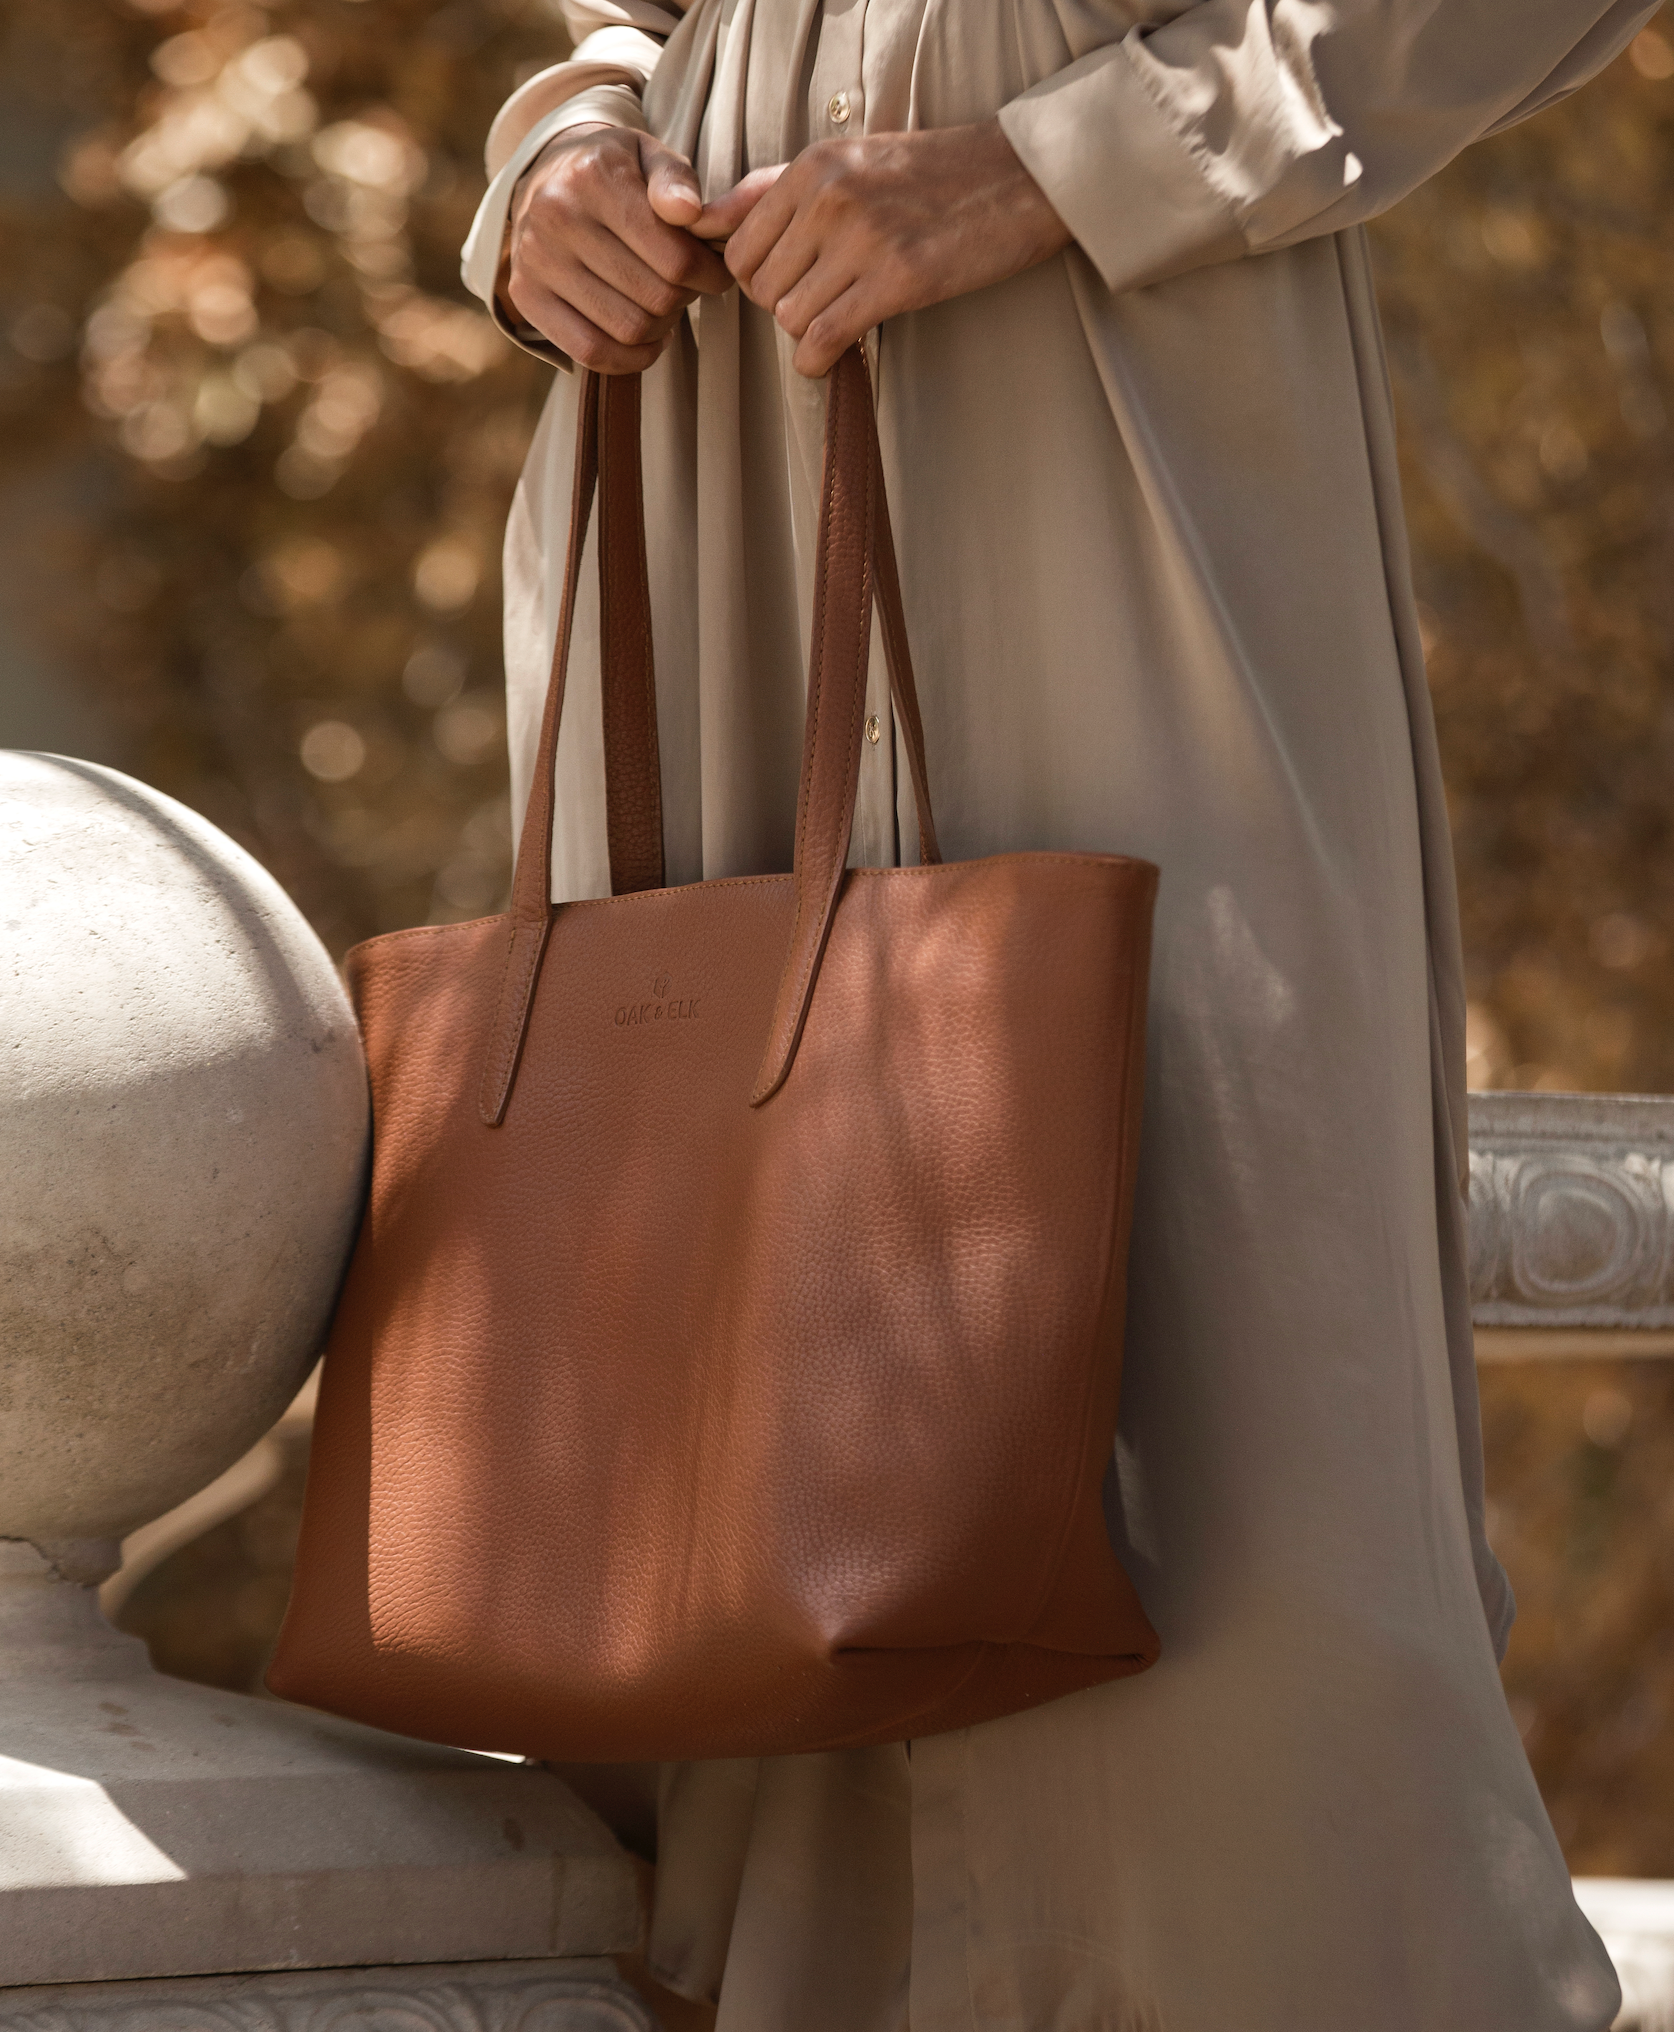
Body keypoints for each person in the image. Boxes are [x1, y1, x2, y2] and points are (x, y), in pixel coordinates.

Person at [458, 2, 1654, 2024]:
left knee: (1211, 1286)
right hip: (710, 375)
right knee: (728, 1308)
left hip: (1117, 359)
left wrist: (1056, 167)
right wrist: (562, 148)